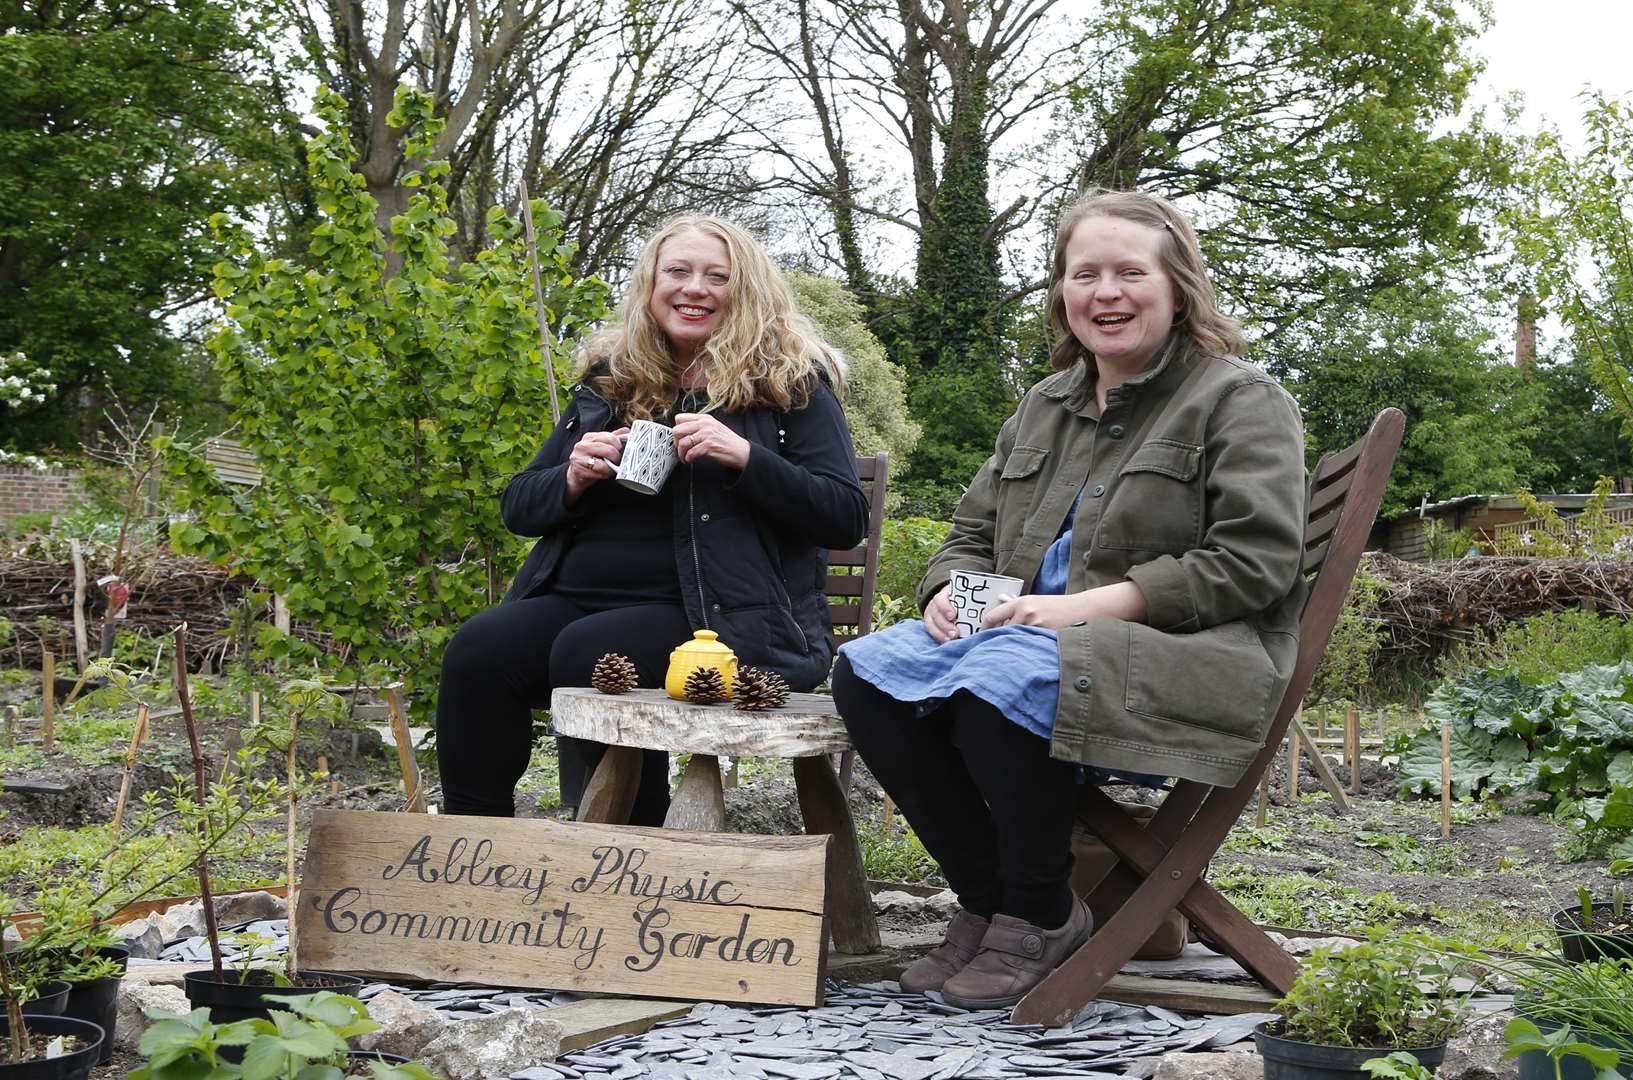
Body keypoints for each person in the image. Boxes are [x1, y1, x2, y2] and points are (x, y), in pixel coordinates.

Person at [831, 190, 1307, 1008]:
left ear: (1177, 286)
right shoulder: (1043, 407)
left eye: (1130, 272)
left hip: (1185, 660)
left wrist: (1083, 610)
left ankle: (1043, 912)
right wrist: (949, 592)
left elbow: (1254, 563)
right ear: (1062, 293)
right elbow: (969, 536)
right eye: (1085, 274)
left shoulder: (1238, 399)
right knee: (867, 670)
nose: (1106, 292)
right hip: (1027, 645)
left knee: (1001, 677)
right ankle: (989, 899)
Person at [436, 215, 868, 822]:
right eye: (679, 272)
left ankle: (630, 844)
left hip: (720, 622)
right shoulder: (612, 380)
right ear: (651, 283)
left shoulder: (789, 387)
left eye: (717, 276)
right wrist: (572, 476)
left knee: (587, 650)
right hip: (578, 598)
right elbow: (519, 507)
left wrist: (745, 457)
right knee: (479, 649)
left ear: (744, 292)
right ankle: (472, 840)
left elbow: (845, 515)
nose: (695, 288)